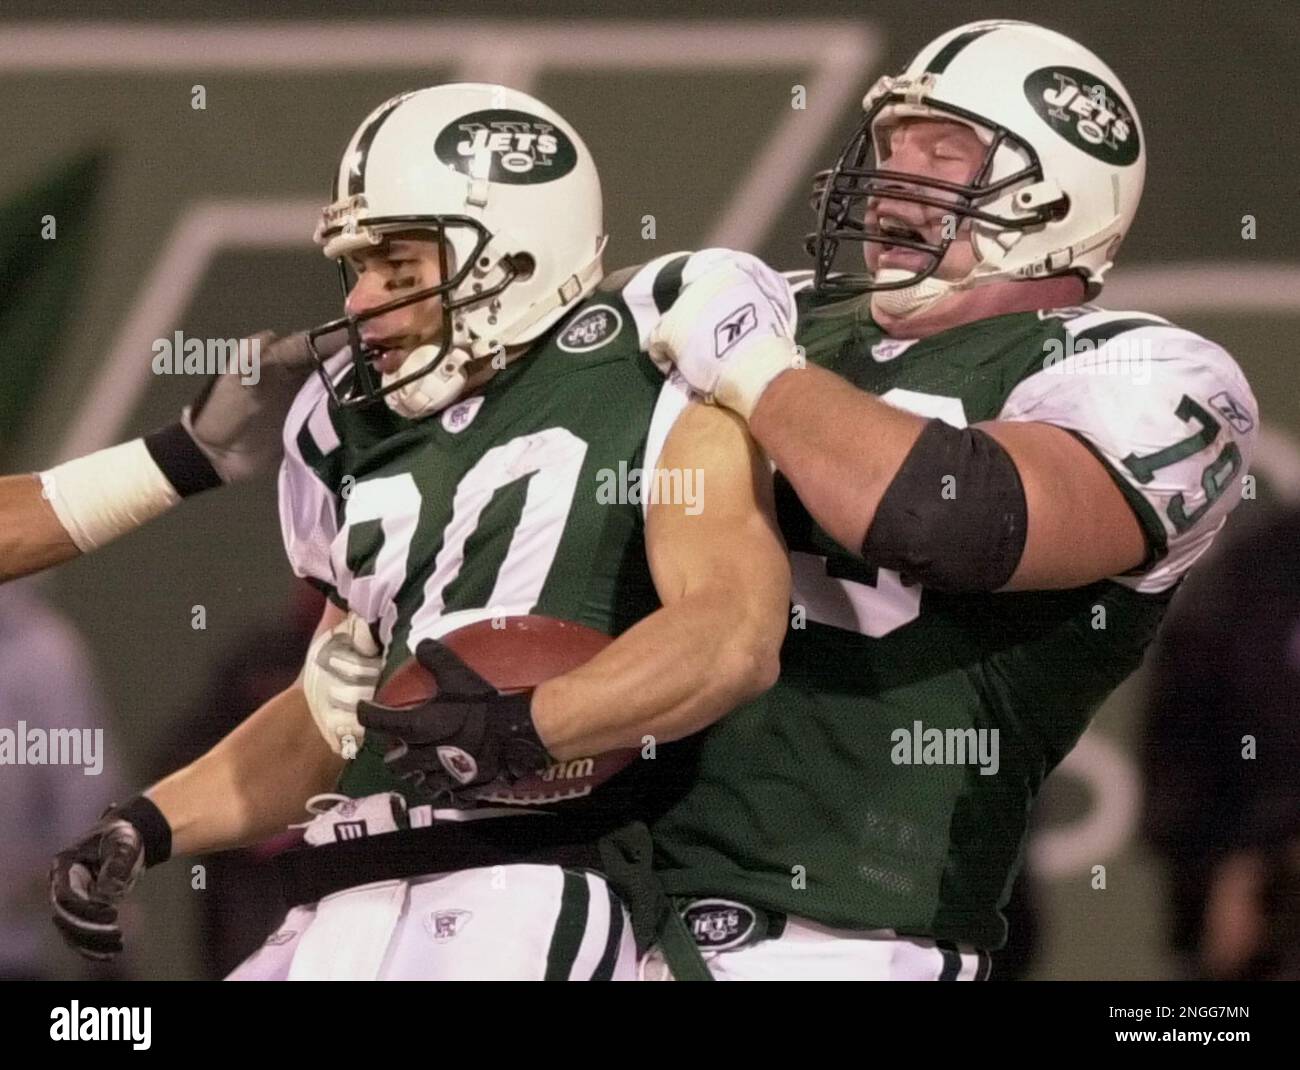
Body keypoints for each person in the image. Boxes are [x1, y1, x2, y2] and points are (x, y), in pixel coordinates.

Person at [49, 83, 791, 980]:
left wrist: (527, 721)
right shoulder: (344, 426)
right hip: (337, 890)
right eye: (355, 267)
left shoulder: (655, 353)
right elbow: (336, 714)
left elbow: (732, 634)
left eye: (396, 264)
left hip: (520, 880)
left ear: (516, 253)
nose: (361, 300)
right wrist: (150, 823)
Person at [638, 19, 1259, 979]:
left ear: (1056, 192)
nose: (893, 176)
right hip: (606, 899)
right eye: (891, 146)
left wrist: (755, 369)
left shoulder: (1142, 370)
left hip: (844, 937)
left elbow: (952, 517)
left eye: (944, 152)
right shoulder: (783, 313)